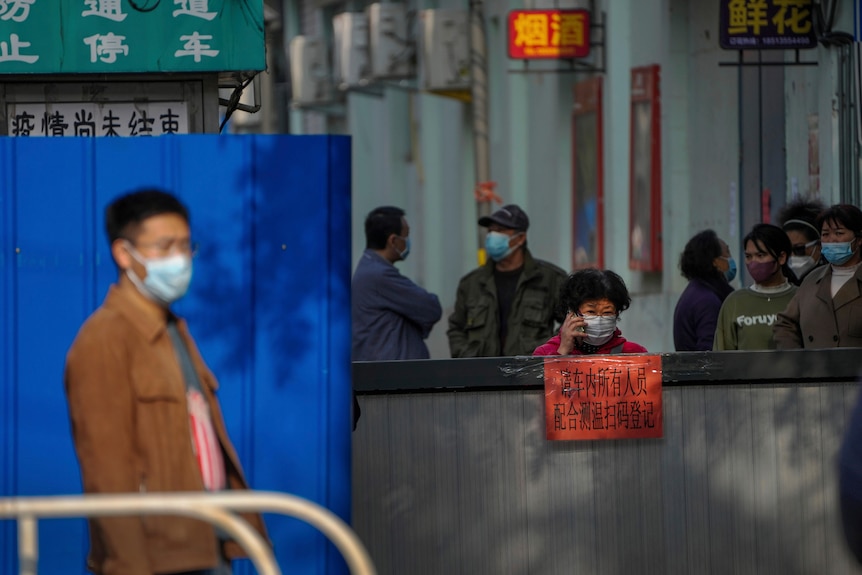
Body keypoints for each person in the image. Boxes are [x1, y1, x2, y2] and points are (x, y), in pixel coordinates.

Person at [64, 189, 266, 575]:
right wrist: (129, 566)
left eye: (186, 246)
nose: (179, 259)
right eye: (164, 246)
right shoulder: (104, 339)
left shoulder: (172, 330)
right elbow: (106, 473)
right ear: (125, 254)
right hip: (158, 559)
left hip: (206, 544)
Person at [448, 204, 567, 357]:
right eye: (490, 230)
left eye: (500, 230)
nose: (492, 236)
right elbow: (456, 328)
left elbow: (574, 322)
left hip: (530, 376)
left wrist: (550, 352)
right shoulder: (471, 283)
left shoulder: (550, 278)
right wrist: (468, 358)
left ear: (521, 238)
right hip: (481, 377)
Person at [351, 206, 442, 361]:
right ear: (393, 240)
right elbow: (430, 307)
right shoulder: (379, 275)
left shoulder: (370, 268)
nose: (407, 242)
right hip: (390, 376)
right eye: (406, 236)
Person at [774, 204, 862, 348]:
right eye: (825, 234)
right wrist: (795, 362)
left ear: (858, 239)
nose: (832, 240)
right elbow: (785, 324)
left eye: (839, 233)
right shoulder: (812, 279)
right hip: (816, 369)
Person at [713, 223, 797, 350]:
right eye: (748, 256)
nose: (753, 263)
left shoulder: (801, 298)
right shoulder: (734, 302)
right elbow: (722, 357)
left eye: (761, 255)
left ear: (781, 258)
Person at [533, 269, 647, 355]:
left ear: (616, 314)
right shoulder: (545, 353)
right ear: (573, 313)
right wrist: (563, 352)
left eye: (607, 312)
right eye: (591, 311)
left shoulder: (633, 353)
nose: (599, 319)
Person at [673, 229, 736, 351]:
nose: (731, 259)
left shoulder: (695, 292)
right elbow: (709, 353)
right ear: (715, 262)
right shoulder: (707, 301)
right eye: (727, 253)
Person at [778, 196, 826, 284]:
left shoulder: (830, 281)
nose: (792, 256)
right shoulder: (780, 283)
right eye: (788, 251)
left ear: (818, 247)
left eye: (799, 249)